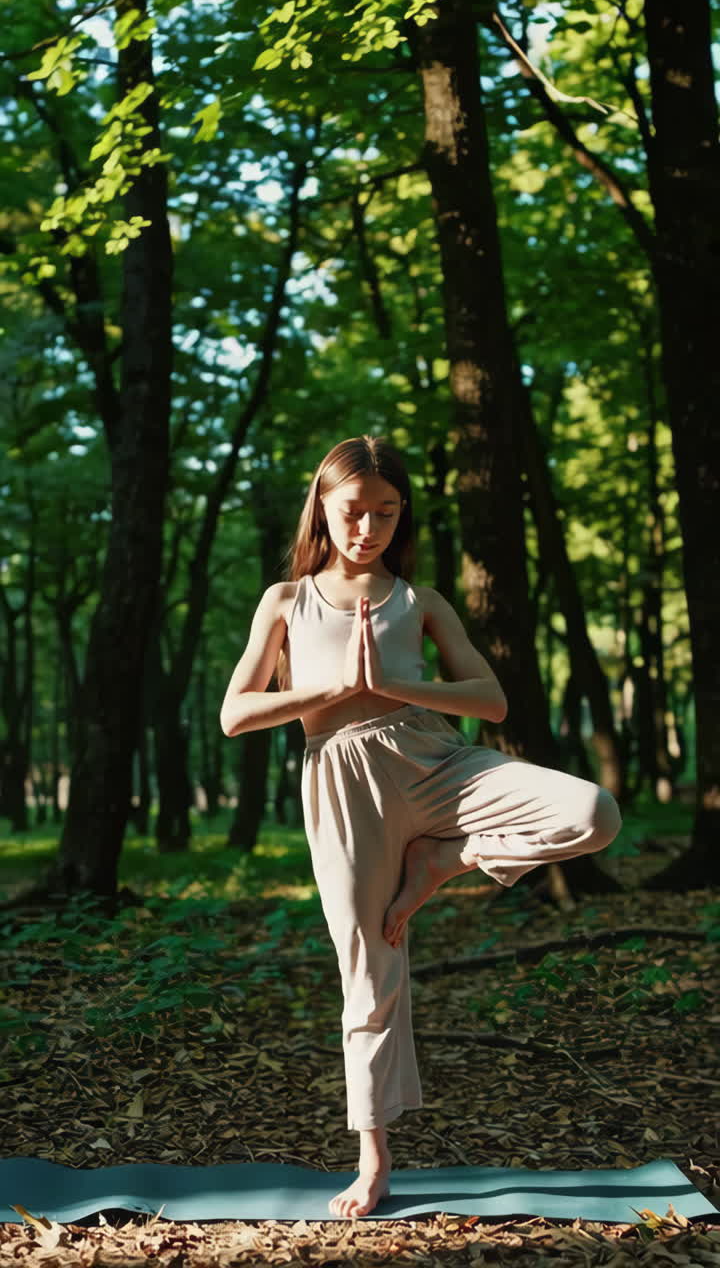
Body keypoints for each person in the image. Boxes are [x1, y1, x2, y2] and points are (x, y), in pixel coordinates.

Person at [220, 435, 622, 1220]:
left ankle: (446, 861)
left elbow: (493, 701)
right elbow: (236, 713)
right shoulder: (286, 601)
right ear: (323, 510)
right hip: (343, 787)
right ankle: (373, 1160)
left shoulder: (422, 600)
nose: (366, 527)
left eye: (385, 512)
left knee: (591, 812)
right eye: (351, 512)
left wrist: (398, 682)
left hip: (435, 762)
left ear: (402, 516)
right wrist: (335, 685)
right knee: (370, 975)